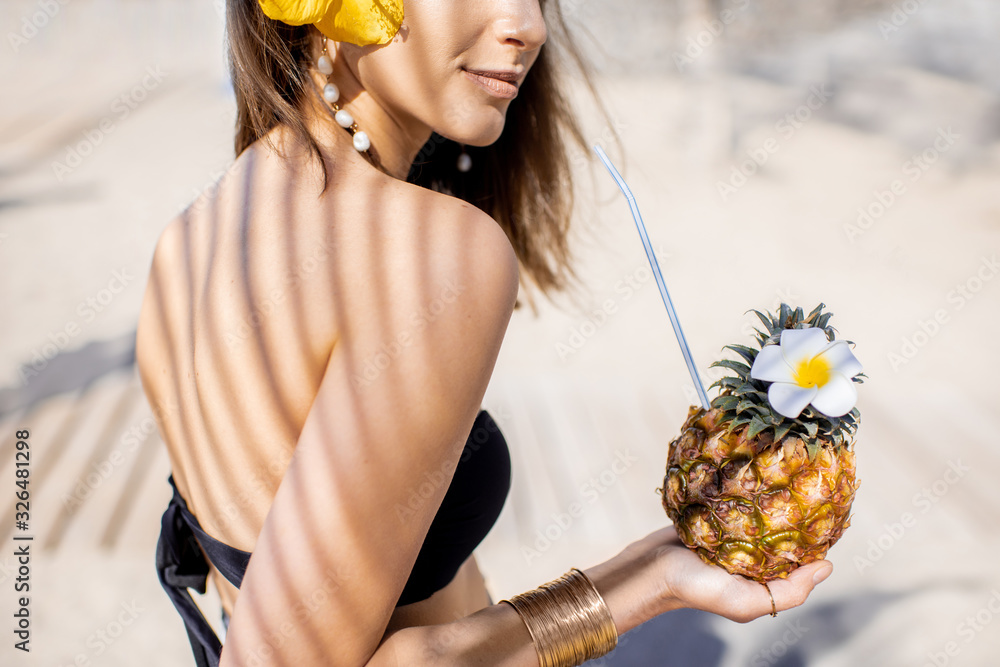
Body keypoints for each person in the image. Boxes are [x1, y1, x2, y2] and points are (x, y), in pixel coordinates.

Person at [136, 0, 834, 665]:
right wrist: (645, 588)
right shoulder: (429, 253)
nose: (529, 25)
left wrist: (653, 561)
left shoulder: (193, 235)